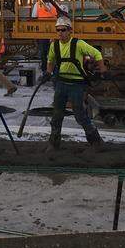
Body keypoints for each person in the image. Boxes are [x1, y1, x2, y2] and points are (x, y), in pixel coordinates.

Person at [45, 16, 106, 150]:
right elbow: (50, 60)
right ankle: (53, 143)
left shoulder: (78, 44)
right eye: (58, 30)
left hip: (77, 84)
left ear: (70, 31)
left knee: (80, 114)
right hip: (61, 83)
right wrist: (48, 73)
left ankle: (95, 141)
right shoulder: (54, 46)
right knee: (57, 114)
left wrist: (103, 70)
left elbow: (97, 54)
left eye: (63, 30)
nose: (60, 33)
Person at [31, 0, 58, 74]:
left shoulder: (55, 4)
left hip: (53, 32)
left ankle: (54, 70)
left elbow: (60, 15)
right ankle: (45, 70)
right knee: (43, 52)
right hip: (42, 32)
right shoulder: (37, 5)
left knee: (54, 52)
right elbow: (34, 18)